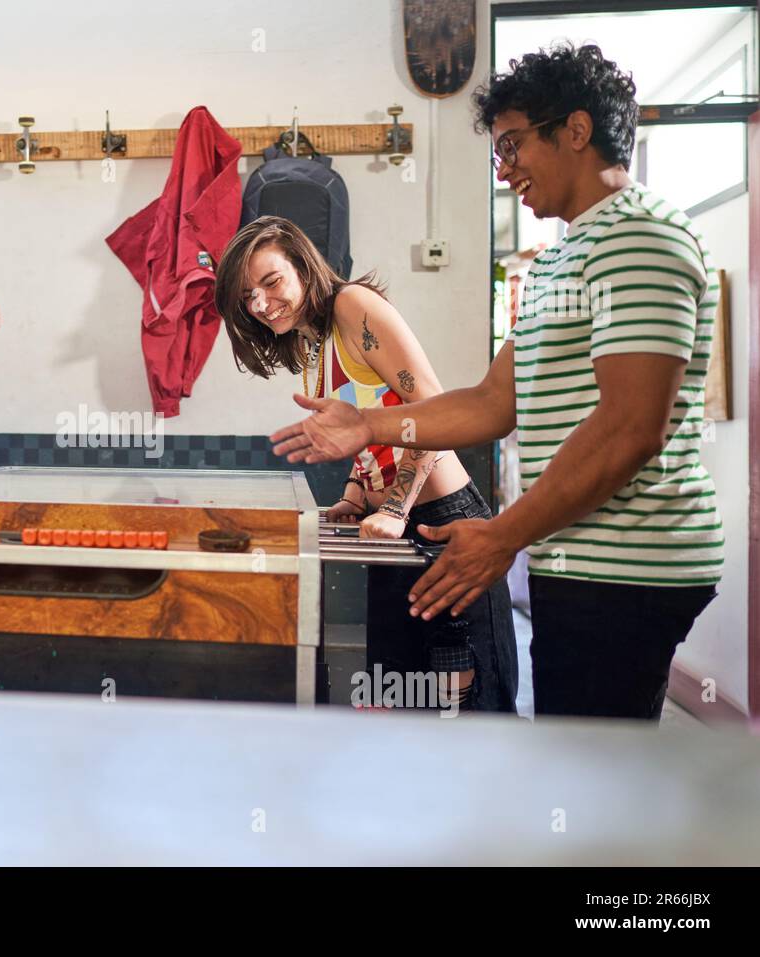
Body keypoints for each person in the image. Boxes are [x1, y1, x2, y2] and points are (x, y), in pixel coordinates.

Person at [271, 44, 722, 720]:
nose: (504, 167)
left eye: (513, 145)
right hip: (577, 557)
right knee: (572, 755)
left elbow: (632, 429)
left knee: (591, 772)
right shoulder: (556, 262)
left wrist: (504, 533)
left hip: (629, 565)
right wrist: (370, 425)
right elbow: (491, 403)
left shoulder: (640, 237)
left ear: (575, 131)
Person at [215, 215, 517, 712]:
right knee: (397, 706)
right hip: (390, 536)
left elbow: (432, 410)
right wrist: (356, 498)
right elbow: (372, 425)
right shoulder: (312, 342)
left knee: (461, 713)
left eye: (272, 283)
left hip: (440, 526)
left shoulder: (354, 305)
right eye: (248, 298)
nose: (262, 304)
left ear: (304, 267)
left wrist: (396, 508)